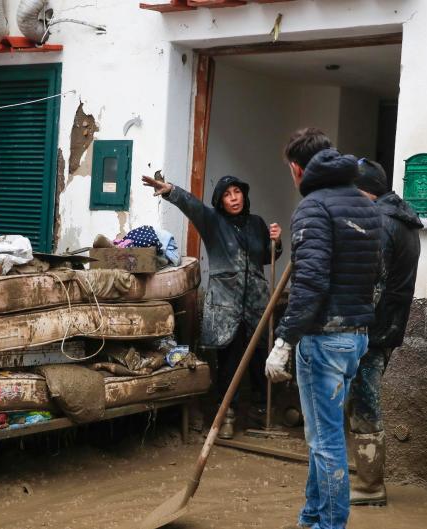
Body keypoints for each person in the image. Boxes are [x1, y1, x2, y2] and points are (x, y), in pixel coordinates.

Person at [266, 128, 382, 529]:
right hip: (355, 338)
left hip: (324, 339)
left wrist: (284, 339)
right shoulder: (367, 204)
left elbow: (311, 282)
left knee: (325, 442)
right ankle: (311, 517)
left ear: (298, 168)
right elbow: (373, 271)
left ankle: (330, 524)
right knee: (323, 438)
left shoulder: (314, 207)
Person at [142, 173, 282, 439]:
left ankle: (260, 413)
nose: (234, 198)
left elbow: (266, 256)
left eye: (237, 192)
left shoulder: (257, 223)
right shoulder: (213, 222)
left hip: (256, 302)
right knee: (229, 360)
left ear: (244, 195)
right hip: (225, 305)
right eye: (227, 194)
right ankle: (225, 415)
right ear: (220, 200)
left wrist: (277, 241)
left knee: (259, 358)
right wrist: (170, 190)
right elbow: (192, 205)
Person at [347, 158, 422, 506]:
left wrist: (353, 325)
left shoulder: (379, 223)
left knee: (365, 402)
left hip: (371, 330)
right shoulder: (404, 221)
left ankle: (369, 485)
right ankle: (362, 470)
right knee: (363, 398)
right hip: (390, 326)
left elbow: (372, 284)